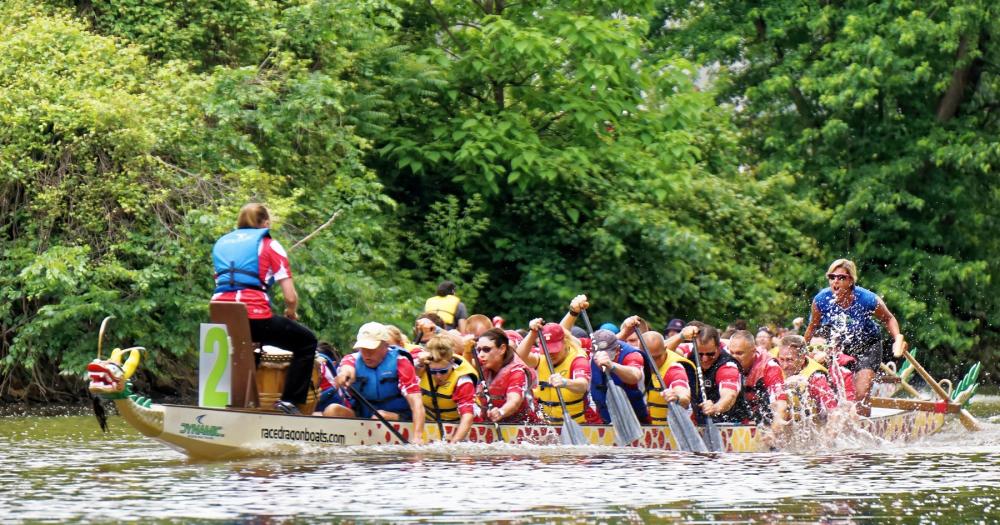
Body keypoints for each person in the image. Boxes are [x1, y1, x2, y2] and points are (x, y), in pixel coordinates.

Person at [210, 203, 317, 415]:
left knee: (245, 346)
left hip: (220, 314)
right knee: (306, 342)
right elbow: (290, 296)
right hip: (254, 316)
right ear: (265, 223)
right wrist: (291, 311)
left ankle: (236, 403)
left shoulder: (222, 244)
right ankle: (289, 402)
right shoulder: (270, 244)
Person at [803, 259, 907, 415]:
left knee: (861, 394)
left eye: (841, 278)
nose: (835, 282)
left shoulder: (867, 298)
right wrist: (802, 351)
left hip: (868, 346)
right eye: (832, 277)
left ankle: (866, 429)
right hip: (842, 347)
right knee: (837, 391)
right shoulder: (821, 300)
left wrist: (897, 337)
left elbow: (888, 318)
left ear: (851, 280)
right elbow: (812, 327)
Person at [333, 322, 426, 443]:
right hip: (363, 416)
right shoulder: (351, 359)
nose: (366, 354)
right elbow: (347, 369)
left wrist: (417, 438)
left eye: (371, 349)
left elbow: (417, 404)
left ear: (385, 346)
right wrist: (344, 375)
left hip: (399, 416)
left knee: (379, 415)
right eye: (363, 349)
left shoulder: (401, 363)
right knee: (333, 410)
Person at [666, 324, 747, 423]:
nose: (704, 359)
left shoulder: (728, 365)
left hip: (729, 422)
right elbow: (660, 353)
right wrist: (681, 336)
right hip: (700, 421)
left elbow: (729, 395)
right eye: (700, 354)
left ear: (718, 348)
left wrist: (716, 407)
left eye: (710, 354)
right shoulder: (689, 350)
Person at [515, 319, 591, 424]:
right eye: (547, 349)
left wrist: (565, 382)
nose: (550, 354)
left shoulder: (578, 359)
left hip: (578, 424)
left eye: (555, 349)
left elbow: (583, 385)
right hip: (548, 425)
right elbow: (520, 357)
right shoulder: (540, 357)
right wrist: (533, 332)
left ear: (564, 342)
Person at [417, 334, 478, 443]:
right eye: (433, 372)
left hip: (460, 423)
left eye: (443, 371)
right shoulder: (422, 367)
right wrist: (419, 364)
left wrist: (453, 444)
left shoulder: (463, 380)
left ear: (451, 363)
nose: (438, 376)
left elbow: (467, 416)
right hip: (430, 421)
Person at [727, 330, 788, 427]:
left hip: (764, 415)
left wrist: (775, 427)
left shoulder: (769, 366)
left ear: (753, 351)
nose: (734, 357)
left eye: (739, 353)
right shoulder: (726, 360)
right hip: (740, 415)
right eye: (732, 353)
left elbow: (780, 402)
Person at [476, 328, 537, 423]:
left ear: (502, 349)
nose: (480, 355)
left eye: (486, 349)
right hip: (490, 422)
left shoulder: (517, 370)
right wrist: (467, 351)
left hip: (523, 424)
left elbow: (514, 401)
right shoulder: (482, 364)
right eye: (479, 350)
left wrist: (501, 412)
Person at [589, 329, 649, 424]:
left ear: (617, 350)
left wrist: (611, 365)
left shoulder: (632, 355)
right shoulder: (589, 350)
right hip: (604, 418)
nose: (600, 362)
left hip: (636, 417)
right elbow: (566, 337)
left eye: (609, 356)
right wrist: (573, 313)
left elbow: (635, 376)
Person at [777, 335, 839, 419]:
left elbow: (834, 412)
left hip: (812, 423)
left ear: (802, 359)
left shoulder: (816, 377)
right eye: (782, 359)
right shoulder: (772, 368)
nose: (784, 366)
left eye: (789, 360)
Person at [642, 330, 695, 426]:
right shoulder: (635, 359)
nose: (653, 363)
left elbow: (683, 393)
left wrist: (678, 397)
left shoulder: (674, 368)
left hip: (674, 429)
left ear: (665, 349)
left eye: (657, 357)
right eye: (649, 358)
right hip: (645, 427)